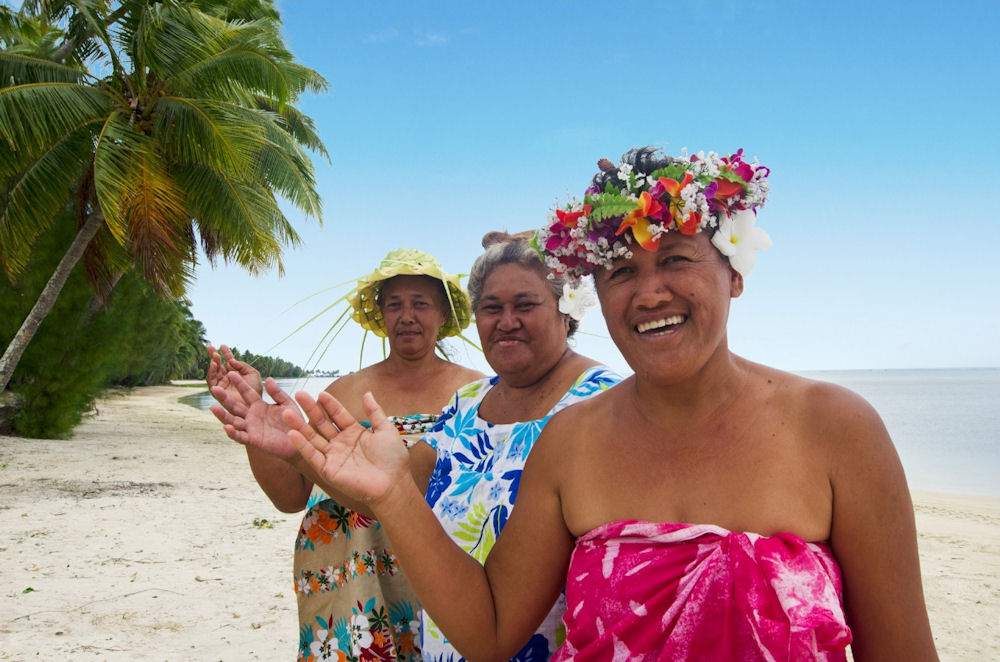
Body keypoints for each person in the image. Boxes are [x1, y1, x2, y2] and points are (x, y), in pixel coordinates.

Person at [286, 147, 939, 661]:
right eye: (622, 270)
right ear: (595, 292)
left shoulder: (835, 430)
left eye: (676, 258)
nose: (649, 293)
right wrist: (392, 494)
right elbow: (490, 630)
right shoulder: (571, 440)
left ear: (734, 271)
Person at [211, 234, 622, 660]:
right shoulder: (468, 404)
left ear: (566, 308)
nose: (506, 321)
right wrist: (296, 451)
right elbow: (399, 495)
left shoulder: (603, 403)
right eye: (491, 307)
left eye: (525, 304)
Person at [207, 248, 484, 661]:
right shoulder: (344, 393)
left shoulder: (476, 392)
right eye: (395, 304)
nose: (407, 316)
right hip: (352, 579)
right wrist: (254, 421)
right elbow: (291, 497)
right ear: (381, 315)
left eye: (421, 304)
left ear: (443, 314)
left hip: (444, 568)